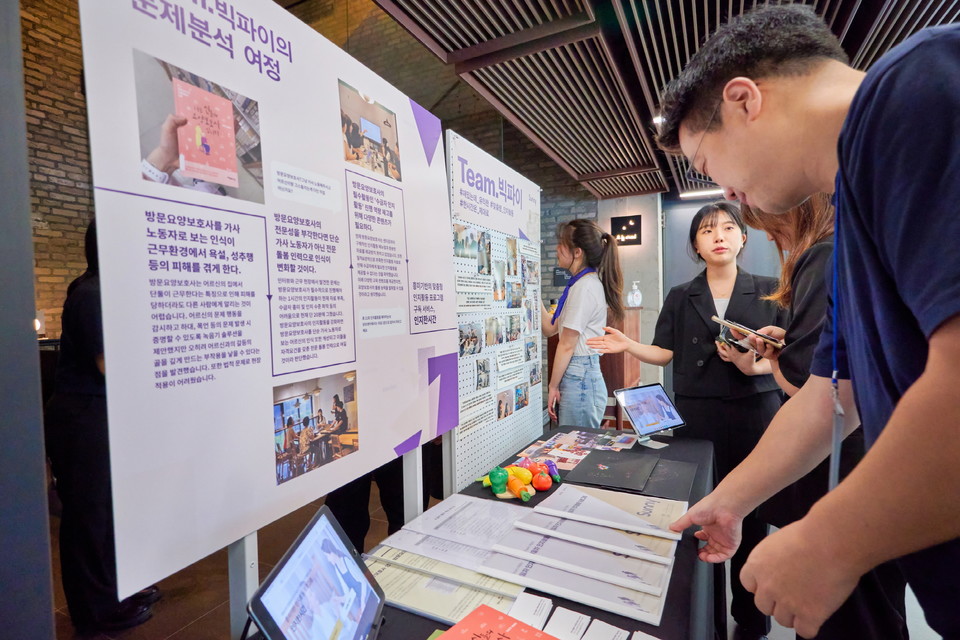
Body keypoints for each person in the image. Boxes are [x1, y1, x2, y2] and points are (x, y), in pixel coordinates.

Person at [655, 5, 960, 637]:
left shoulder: (917, 87)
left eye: (710, 166)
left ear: (744, 101)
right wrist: (731, 501)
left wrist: (829, 540)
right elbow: (832, 395)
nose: (728, 197)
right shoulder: (855, 210)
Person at [588, 202, 785, 639]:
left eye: (729, 228)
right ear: (695, 243)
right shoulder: (682, 294)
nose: (720, 236)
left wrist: (754, 368)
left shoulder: (772, 290)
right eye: (708, 230)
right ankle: (704, 617)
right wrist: (627, 345)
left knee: (753, 515)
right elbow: (664, 353)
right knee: (701, 516)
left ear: (743, 238)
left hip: (757, 415)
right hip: (698, 417)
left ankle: (752, 622)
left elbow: (793, 360)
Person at [740, 196, 908, 637]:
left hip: (840, 471)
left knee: (845, 616)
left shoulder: (822, 256)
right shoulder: (856, 248)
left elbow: (819, 390)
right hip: (874, 469)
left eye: (771, 230)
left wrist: (781, 361)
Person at [44, 220, 159, 633]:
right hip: (84, 417)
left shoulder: (104, 291)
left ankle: (115, 590)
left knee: (110, 512)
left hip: (101, 413)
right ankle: (94, 613)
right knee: (89, 517)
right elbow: (110, 365)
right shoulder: (92, 294)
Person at [540, 219, 623, 428]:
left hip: (581, 378)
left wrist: (552, 386)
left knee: (576, 446)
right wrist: (530, 293)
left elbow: (567, 344)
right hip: (578, 376)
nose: (557, 249)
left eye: (561, 244)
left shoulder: (584, 288)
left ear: (577, 252)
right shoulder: (579, 285)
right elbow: (550, 329)